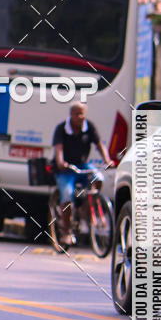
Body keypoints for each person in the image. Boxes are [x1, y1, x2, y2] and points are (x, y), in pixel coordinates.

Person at [52, 102, 111, 246]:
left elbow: (99, 145)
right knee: (66, 194)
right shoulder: (61, 129)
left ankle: (86, 207)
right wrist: (60, 162)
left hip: (83, 165)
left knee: (99, 178)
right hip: (66, 169)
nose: (79, 117)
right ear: (71, 115)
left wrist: (107, 159)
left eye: (82, 114)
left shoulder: (89, 127)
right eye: (76, 114)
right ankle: (66, 231)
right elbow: (58, 149)